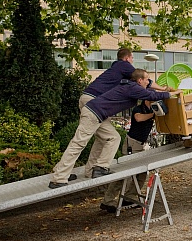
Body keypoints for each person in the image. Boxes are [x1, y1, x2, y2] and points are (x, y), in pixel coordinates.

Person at [49, 69, 181, 189]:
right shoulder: (133, 87)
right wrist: (174, 94)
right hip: (93, 113)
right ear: (140, 80)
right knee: (78, 144)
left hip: (99, 115)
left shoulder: (132, 86)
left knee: (113, 138)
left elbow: (151, 92)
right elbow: (152, 96)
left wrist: (165, 90)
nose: (149, 82)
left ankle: (97, 169)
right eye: (147, 79)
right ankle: (59, 178)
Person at [78, 48, 169, 179]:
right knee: (107, 139)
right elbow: (148, 92)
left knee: (100, 140)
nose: (132, 61)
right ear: (127, 58)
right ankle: (97, 168)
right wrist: (165, 90)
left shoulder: (120, 74)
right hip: (94, 104)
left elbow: (149, 91)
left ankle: (90, 170)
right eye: (132, 58)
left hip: (92, 102)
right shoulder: (126, 70)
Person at [99, 100, 155, 213]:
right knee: (124, 175)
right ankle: (107, 201)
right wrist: (154, 115)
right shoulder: (139, 109)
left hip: (141, 144)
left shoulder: (152, 109)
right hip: (132, 144)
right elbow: (138, 118)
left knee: (142, 173)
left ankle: (130, 197)